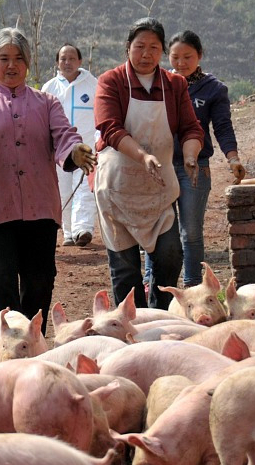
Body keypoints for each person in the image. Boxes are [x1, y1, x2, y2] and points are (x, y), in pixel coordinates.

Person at [0, 28, 95, 318]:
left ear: (28, 63)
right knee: (2, 287)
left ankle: (35, 353)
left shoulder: (46, 103)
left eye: (18, 58)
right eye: (3, 58)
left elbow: (64, 135)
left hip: (40, 209)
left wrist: (75, 151)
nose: (11, 65)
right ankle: (6, 357)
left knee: (39, 286)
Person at [93, 17, 204, 309]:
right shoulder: (112, 81)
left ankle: (158, 314)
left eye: (154, 47)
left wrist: (191, 155)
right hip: (118, 187)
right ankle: (132, 326)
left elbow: (191, 129)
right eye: (139, 46)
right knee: (125, 267)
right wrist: (142, 156)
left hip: (157, 188)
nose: (146, 54)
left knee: (170, 254)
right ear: (127, 48)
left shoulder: (174, 85)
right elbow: (110, 128)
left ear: (162, 52)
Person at [166, 30, 245, 285]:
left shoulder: (213, 89)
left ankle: (192, 286)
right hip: (160, 167)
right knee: (160, 233)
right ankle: (154, 285)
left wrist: (233, 159)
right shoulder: (159, 85)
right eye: (175, 57)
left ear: (200, 56)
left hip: (195, 168)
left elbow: (222, 127)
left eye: (187, 57)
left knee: (190, 232)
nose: (181, 63)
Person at [41, 44, 99, 247]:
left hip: (87, 148)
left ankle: (83, 229)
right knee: (62, 191)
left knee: (84, 188)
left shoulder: (93, 85)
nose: (67, 62)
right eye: (63, 59)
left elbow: (101, 115)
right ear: (57, 62)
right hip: (59, 152)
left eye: (72, 58)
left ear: (80, 61)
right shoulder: (49, 89)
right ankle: (67, 232)